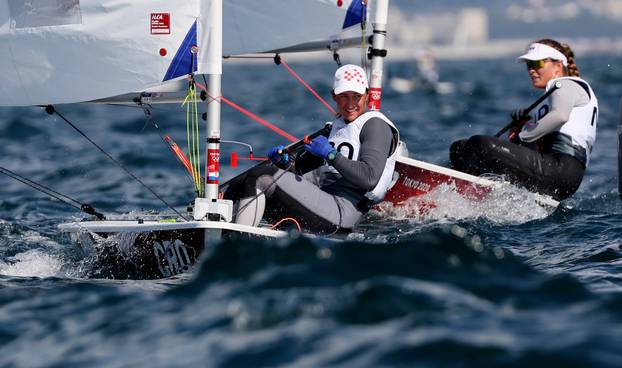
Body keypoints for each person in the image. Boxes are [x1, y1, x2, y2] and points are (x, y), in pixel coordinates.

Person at [222, 64, 400, 235]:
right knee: (239, 185)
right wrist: (284, 164)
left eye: (356, 96)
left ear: (367, 95)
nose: (350, 103)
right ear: (334, 96)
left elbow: (369, 178)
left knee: (261, 178)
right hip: (322, 204)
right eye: (344, 96)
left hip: (343, 214)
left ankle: (238, 246)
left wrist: (331, 155)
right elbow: (298, 171)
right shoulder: (336, 128)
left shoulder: (375, 125)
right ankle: (218, 239)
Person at [449, 39, 598, 201]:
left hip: (561, 171)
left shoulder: (566, 84)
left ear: (558, 65)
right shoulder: (553, 98)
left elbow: (560, 116)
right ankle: (471, 192)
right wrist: (520, 132)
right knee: (460, 148)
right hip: (554, 171)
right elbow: (536, 148)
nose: (532, 70)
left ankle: (458, 197)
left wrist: (524, 135)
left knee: (480, 144)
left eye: (538, 63)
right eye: (529, 65)